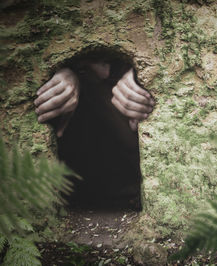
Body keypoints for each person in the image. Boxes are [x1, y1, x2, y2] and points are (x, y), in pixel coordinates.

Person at [34, 55, 155, 211]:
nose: (105, 73)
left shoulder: (124, 84)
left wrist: (143, 76)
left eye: (111, 63)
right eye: (85, 67)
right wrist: (63, 81)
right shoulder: (83, 98)